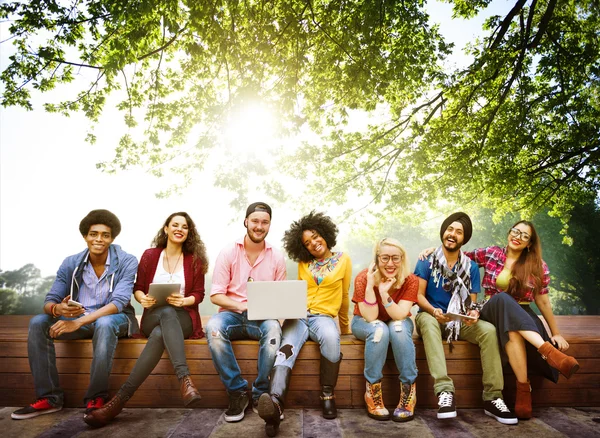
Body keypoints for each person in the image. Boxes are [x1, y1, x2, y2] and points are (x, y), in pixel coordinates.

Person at [84, 212, 209, 427]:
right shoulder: (151, 255)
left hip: (184, 319)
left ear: (189, 233)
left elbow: (199, 294)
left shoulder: (194, 259)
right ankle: (185, 380)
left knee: (166, 323)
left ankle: (118, 402)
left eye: (185, 226)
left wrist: (185, 300)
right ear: (166, 229)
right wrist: (143, 299)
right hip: (153, 316)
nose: (180, 229)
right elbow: (138, 288)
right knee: (164, 316)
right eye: (175, 225)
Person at [11, 209, 138, 420]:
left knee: (105, 323)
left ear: (112, 238)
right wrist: (57, 309)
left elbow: (119, 302)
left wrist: (77, 322)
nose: (99, 239)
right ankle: (49, 398)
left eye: (105, 235)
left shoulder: (127, 261)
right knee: (38, 322)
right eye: (93, 234)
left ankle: (96, 397)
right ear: (85, 236)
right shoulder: (71, 262)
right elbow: (49, 300)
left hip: (116, 319)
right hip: (79, 319)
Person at [463, 220, 580, 419]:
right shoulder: (491, 253)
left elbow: (542, 302)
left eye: (524, 236)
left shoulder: (537, 266)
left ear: (529, 243)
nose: (518, 237)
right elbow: (458, 257)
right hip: (491, 309)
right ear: (509, 233)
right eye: (515, 232)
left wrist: (556, 333)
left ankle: (523, 389)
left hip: (523, 315)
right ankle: (549, 353)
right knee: (503, 298)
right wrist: (434, 250)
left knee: (513, 330)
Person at [414, 212, 517, 425]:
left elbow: (471, 302)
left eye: (458, 232)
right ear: (443, 232)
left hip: (457, 322)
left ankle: (493, 397)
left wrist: (472, 314)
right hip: (432, 316)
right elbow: (418, 296)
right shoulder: (427, 260)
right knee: (426, 320)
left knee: (488, 330)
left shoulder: (470, 266)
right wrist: (434, 311)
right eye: (449, 229)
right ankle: (444, 392)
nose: (452, 234)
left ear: (464, 238)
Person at [258, 211, 351, 437]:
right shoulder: (303, 263)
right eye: (307, 243)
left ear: (325, 234)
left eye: (316, 237)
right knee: (285, 349)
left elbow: (345, 295)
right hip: (298, 316)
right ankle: (275, 403)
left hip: (324, 317)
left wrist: (345, 327)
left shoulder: (343, 260)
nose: (313, 244)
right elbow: (298, 292)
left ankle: (327, 395)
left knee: (331, 338)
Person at [206, 202, 286, 423]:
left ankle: (261, 393)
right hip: (231, 314)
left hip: (261, 319)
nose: (259, 226)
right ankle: (237, 392)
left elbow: (280, 296)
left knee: (273, 328)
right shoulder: (228, 252)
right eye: (255, 221)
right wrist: (242, 306)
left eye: (264, 222)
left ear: (269, 225)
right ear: (246, 222)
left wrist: (277, 310)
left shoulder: (277, 256)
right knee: (213, 327)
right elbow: (216, 296)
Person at [351, 238, 419, 422]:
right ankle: (372, 392)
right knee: (379, 329)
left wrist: (384, 293)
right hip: (364, 321)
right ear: (377, 259)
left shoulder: (410, 280)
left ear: (402, 259)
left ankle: (408, 392)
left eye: (395, 258)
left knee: (397, 329)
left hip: (396, 319)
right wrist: (372, 285)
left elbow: (400, 315)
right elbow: (371, 317)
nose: (390, 264)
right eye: (385, 258)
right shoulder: (364, 277)